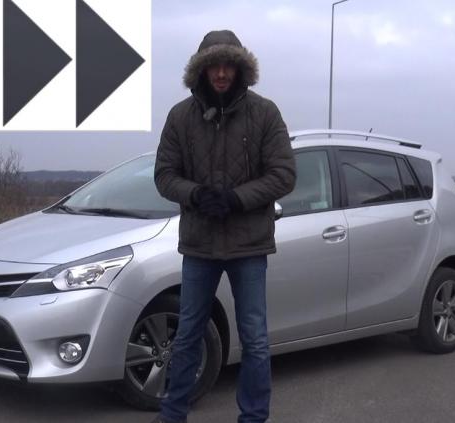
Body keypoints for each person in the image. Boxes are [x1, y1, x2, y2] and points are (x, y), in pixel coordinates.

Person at [152, 30, 297, 423]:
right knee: (187, 334)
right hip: (199, 244)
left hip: (248, 244)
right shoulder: (180, 116)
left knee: (255, 338)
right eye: (213, 66)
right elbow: (164, 175)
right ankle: (172, 414)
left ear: (239, 68)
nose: (220, 73)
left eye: (227, 65)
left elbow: (284, 174)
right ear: (201, 69)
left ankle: (254, 417)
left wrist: (236, 198)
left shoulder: (264, 113)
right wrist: (196, 194)